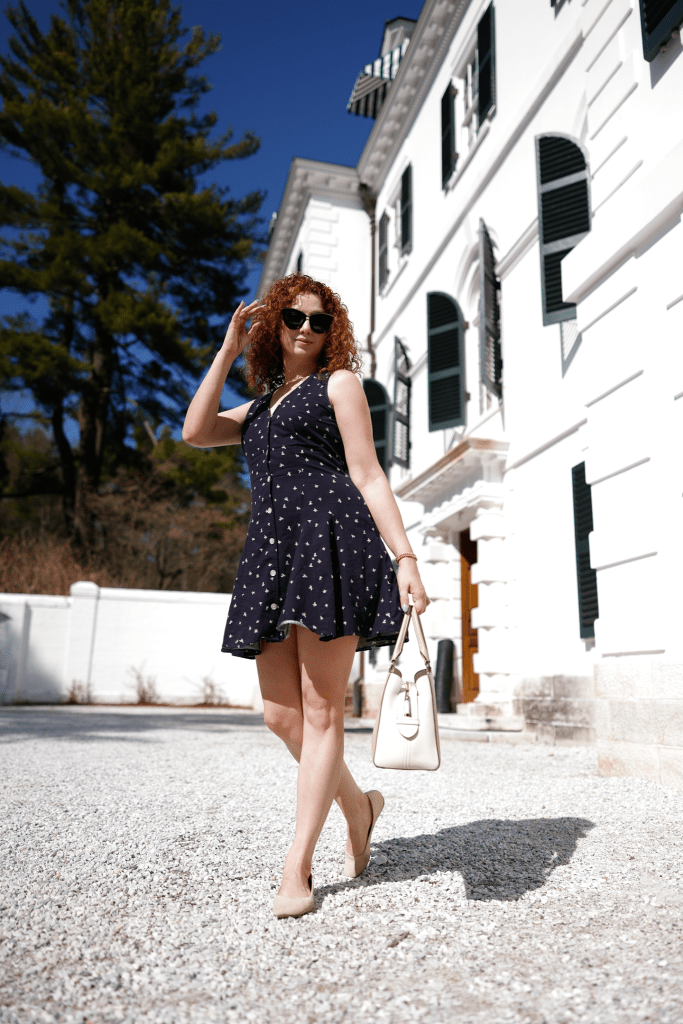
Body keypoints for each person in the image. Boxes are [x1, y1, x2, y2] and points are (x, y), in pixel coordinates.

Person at [183, 275, 428, 919]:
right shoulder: (259, 408)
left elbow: (367, 473)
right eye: (294, 317)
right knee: (280, 717)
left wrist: (405, 557)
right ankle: (359, 807)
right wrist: (227, 352)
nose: (307, 330)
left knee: (322, 713)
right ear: (276, 324)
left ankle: (298, 866)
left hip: (331, 541)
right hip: (271, 555)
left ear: (330, 331)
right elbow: (195, 431)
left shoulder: (338, 384)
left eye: (320, 321)